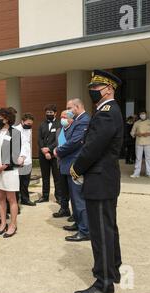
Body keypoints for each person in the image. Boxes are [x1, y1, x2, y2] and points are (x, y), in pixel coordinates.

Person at [70, 70, 123, 293]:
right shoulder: (107, 111)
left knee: (101, 232)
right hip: (105, 179)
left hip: (100, 180)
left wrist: (76, 167)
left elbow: (93, 148)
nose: (92, 91)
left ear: (108, 89)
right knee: (108, 228)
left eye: (96, 88)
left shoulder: (107, 113)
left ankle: (104, 284)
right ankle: (113, 269)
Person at [54, 99, 91, 242]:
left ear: (77, 106)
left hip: (76, 164)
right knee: (75, 199)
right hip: (70, 163)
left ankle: (85, 230)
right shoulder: (77, 120)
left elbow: (75, 141)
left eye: (69, 108)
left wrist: (58, 150)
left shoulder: (83, 120)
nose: (68, 111)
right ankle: (79, 223)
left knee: (79, 199)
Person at [0, 108, 23, 238]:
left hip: (8, 171)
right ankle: (3, 223)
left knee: (11, 198)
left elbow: (15, 153)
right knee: (0, 198)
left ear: (7, 119)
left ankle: (13, 225)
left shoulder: (15, 133)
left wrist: (3, 166)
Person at [36, 104, 63, 205]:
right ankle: (45, 196)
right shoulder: (42, 124)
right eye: (47, 113)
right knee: (45, 176)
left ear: (55, 113)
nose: (49, 114)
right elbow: (39, 139)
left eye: (51, 113)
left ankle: (59, 197)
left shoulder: (60, 124)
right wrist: (44, 150)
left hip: (55, 154)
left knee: (57, 176)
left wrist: (50, 150)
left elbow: (58, 139)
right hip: (43, 154)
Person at [52, 110, 72, 221]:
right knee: (62, 188)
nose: (62, 119)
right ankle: (64, 209)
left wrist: (59, 151)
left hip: (70, 163)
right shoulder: (59, 130)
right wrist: (55, 149)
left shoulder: (73, 130)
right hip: (60, 163)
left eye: (64, 117)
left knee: (72, 190)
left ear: (70, 118)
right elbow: (58, 144)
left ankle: (76, 213)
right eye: (61, 117)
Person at [14, 113, 36, 206]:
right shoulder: (15, 130)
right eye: (27, 124)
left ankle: (25, 199)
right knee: (17, 182)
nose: (29, 126)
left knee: (25, 182)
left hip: (28, 160)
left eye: (31, 124)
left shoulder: (29, 130)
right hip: (19, 160)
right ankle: (15, 202)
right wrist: (19, 159)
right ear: (22, 121)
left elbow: (28, 144)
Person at [130, 111, 150, 178]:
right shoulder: (136, 123)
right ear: (139, 115)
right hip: (139, 142)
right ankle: (136, 173)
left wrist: (148, 134)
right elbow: (132, 132)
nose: (142, 115)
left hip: (148, 142)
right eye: (141, 114)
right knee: (138, 158)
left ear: (146, 114)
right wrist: (137, 134)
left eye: (143, 114)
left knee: (148, 158)